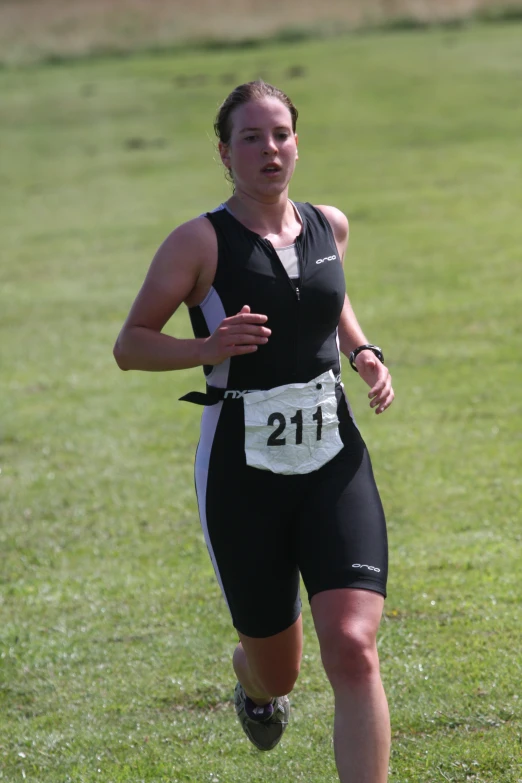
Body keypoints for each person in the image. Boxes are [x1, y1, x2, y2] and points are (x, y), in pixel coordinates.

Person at [113, 80, 394, 783]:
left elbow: (331, 297)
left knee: (354, 647)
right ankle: (255, 684)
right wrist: (205, 349)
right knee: (281, 668)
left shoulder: (330, 224)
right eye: (251, 137)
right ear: (224, 152)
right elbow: (132, 343)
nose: (270, 149)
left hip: (334, 454)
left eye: (281, 135)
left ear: (296, 142)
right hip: (243, 470)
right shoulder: (198, 242)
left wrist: (361, 350)